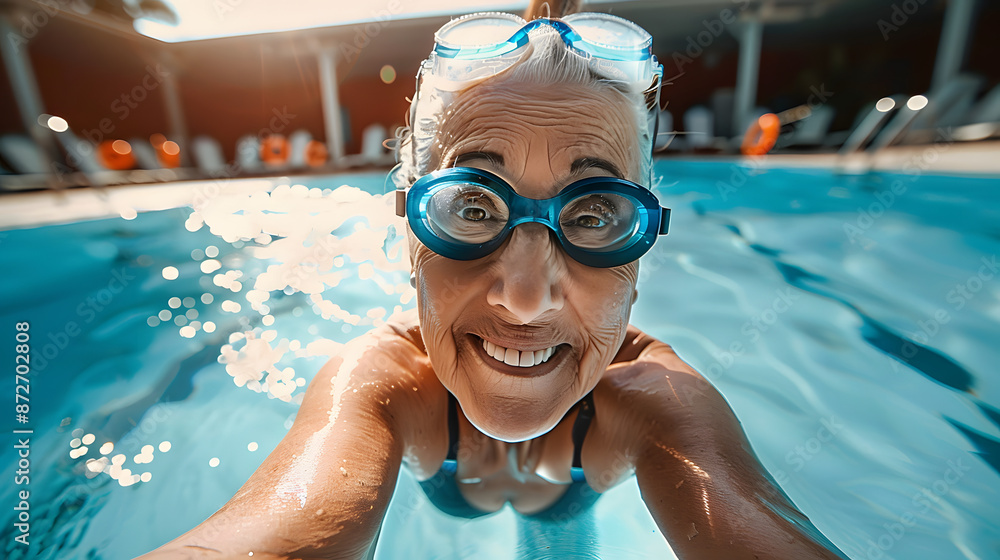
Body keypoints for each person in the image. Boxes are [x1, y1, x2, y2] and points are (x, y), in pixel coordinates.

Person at [137, 1, 849, 558]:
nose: (525, 296)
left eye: (596, 213)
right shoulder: (383, 386)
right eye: (472, 207)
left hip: (565, 506)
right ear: (409, 229)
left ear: (642, 253)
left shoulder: (654, 399)